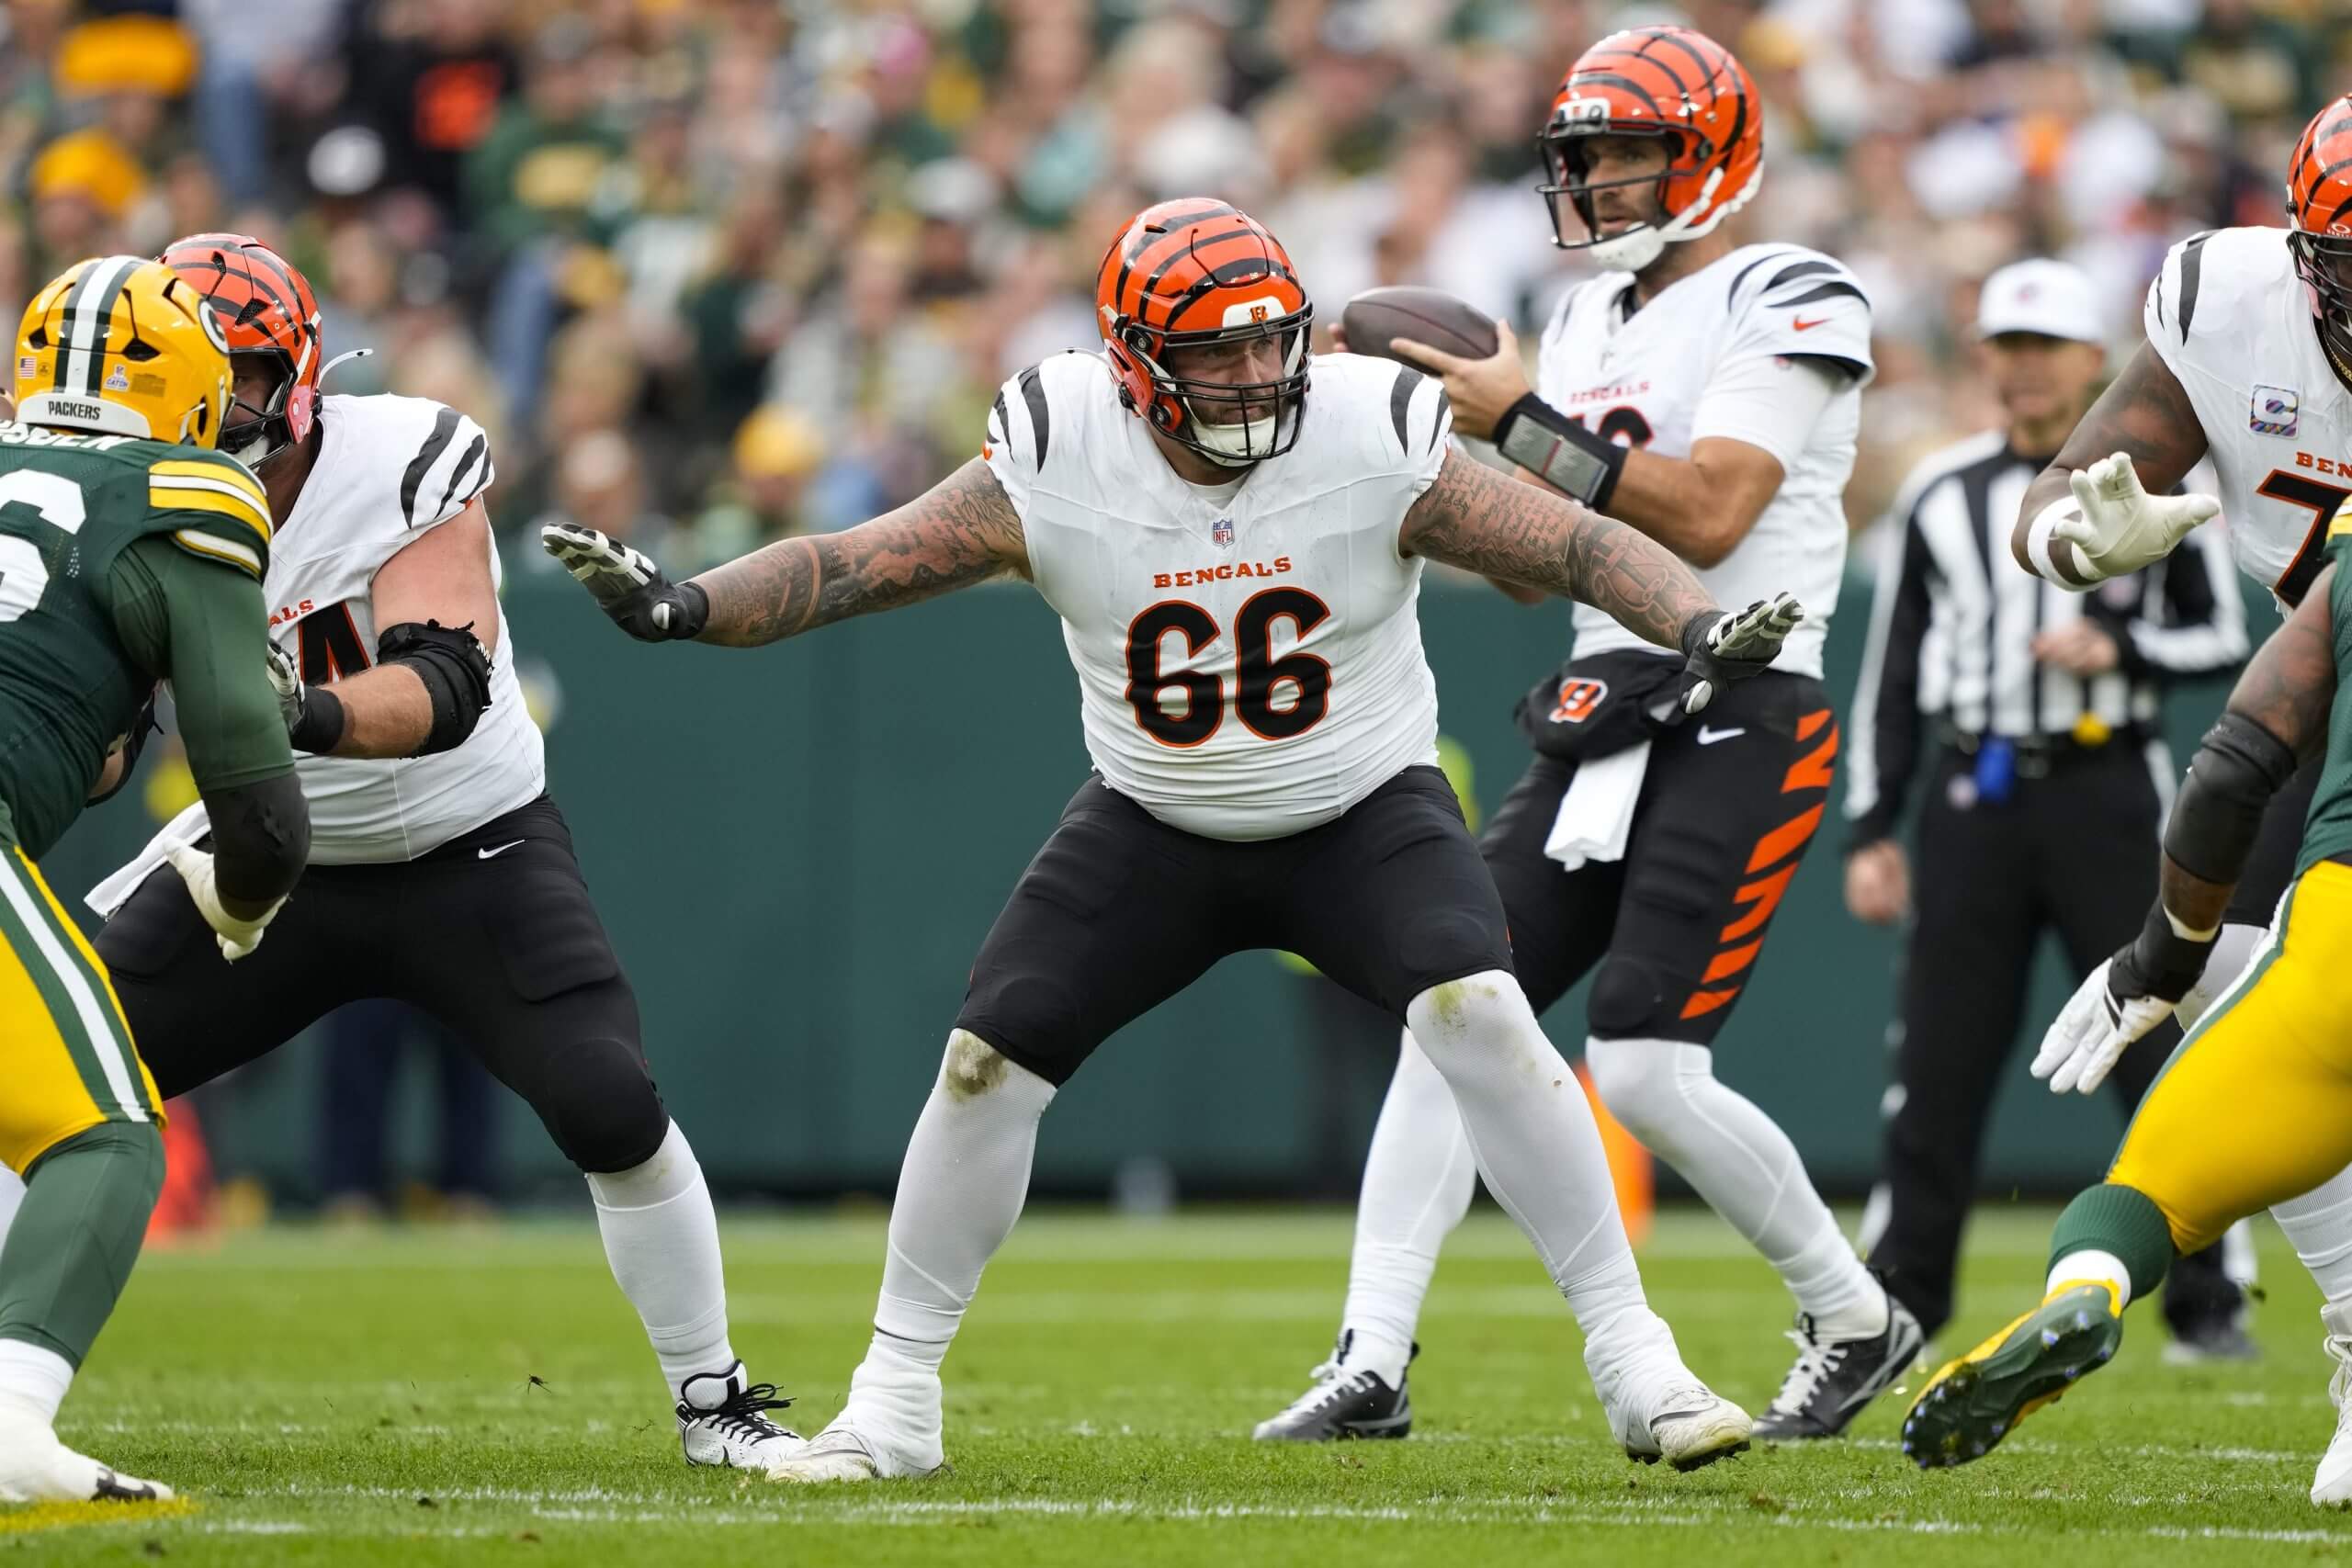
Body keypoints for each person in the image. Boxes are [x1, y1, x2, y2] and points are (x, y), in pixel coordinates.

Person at [546, 197, 1806, 1483]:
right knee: (987, 1057)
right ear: (1133, 360)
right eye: (1218, 350)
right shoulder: (1059, 444)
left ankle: (1635, 1358)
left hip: (1360, 804)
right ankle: (894, 1398)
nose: (1258, 374)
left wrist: (1697, 619)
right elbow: (858, 562)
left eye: (1272, 343)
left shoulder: (1370, 426)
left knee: (1482, 1011)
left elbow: (1578, 543)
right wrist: (688, 602)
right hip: (1156, 813)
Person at [1256, 26, 1912, 1446]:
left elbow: (1710, 511)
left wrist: (1522, 421)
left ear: (1712, 153)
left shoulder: (1789, 288)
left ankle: (1853, 1312)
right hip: (1598, 707)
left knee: (1646, 1070)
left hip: (1743, 694)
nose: (1601, 179)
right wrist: (1440, 459)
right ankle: (1371, 1353)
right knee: (1453, 1011)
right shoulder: (1586, 320)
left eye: (1629, 151)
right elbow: (1534, 557)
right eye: (1588, 155)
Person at [80, 234, 802, 1474]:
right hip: (264, 845)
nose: (206, 403)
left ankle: (714, 1397)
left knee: (606, 1097)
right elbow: (95, 742)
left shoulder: (398, 456)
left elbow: (450, 679)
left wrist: (290, 712)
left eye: (234, 371)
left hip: (466, 835)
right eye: (176, 370)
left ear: (298, 377)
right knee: (37, 1066)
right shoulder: (110, 491)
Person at [2001, 95, 2352, 1502]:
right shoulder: (2224, 301)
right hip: (2305, 700)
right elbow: (2050, 507)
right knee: (2285, 1012)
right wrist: (2086, 547)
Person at [1903, 482, 2352, 1475]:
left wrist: (2155, 960)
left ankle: (2088, 1293)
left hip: (2337, 942)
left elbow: (2234, 768)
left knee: (2143, 1197)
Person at [1845, 258, 2250, 1358]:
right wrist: (1872, 825)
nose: (2022, 372)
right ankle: (1904, 1304)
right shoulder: (1940, 490)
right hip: (1971, 793)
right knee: (1939, 1057)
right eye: (2004, 350)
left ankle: (2206, 1301)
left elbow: (2225, 639)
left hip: (2107, 791)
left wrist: (2113, 643)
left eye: (2044, 350)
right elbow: (1891, 669)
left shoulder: (2154, 486)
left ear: (2090, 363)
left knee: (2156, 1041)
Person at [0, 254, 309, 1502]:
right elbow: (265, 811)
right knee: (106, 1128)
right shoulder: (177, 496)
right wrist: (238, 902)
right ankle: (12, 1419)